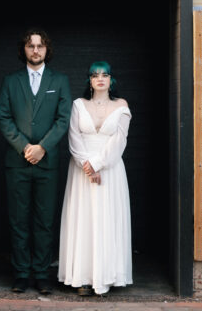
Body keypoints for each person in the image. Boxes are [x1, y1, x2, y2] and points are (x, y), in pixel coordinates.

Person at [0, 29, 72, 294]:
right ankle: (21, 274)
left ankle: (41, 274)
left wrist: (42, 147)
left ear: (46, 49)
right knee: (18, 220)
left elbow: (63, 120)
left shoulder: (59, 80)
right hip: (17, 163)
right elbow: (4, 119)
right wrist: (24, 147)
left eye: (40, 46)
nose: (36, 50)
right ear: (24, 50)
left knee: (44, 221)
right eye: (31, 46)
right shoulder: (11, 80)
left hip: (47, 163)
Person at [58, 61, 133, 296]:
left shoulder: (121, 106)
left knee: (107, 219)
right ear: (89, 81)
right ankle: (83, 277)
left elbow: (119, 141)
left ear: (111, 80)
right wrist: (87, 166)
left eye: (105, 74)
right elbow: (74, 138)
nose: (100, 78)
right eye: (95, 75)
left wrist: (98, 164)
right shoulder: (78, 105)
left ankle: (107, 276)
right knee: (84, 219)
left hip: (110, 170)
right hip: (82, 171)